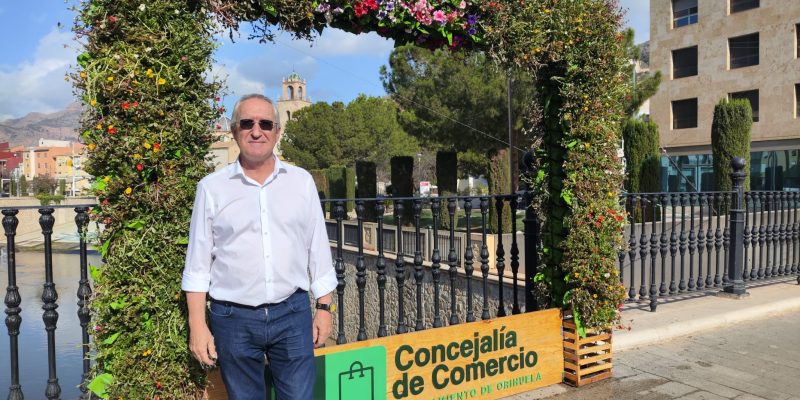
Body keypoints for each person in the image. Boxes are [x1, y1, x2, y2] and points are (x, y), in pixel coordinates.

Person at [182, 93, 337, 399]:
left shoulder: (301, 181)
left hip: (291, 314)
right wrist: (197, 326)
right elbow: (198, 265)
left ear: (277, 131)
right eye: (247, 123)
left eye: (266, 123)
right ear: (234, 130)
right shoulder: (211, 188)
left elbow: (317, 249)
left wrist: (324, 308)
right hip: (233, 319)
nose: (257, 130)